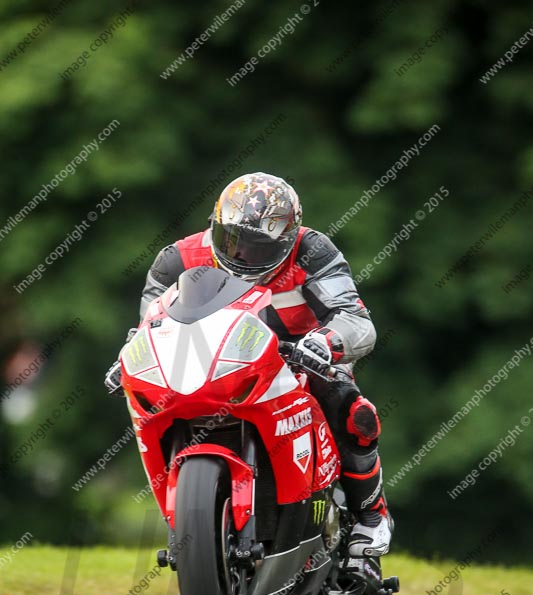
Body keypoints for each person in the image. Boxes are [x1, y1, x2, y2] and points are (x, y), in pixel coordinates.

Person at [106, 173, 393, 557]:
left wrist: (326, 342)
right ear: (215, 225)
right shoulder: (177, 259)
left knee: (353, 411)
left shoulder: (312, 251)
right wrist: (130, 357)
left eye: (256, 248)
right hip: (215, 363)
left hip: (301, 361)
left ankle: (370, 516)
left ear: (288, 238)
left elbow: (355, 319)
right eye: (231, 241)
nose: (241, 255)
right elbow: (150, 326)